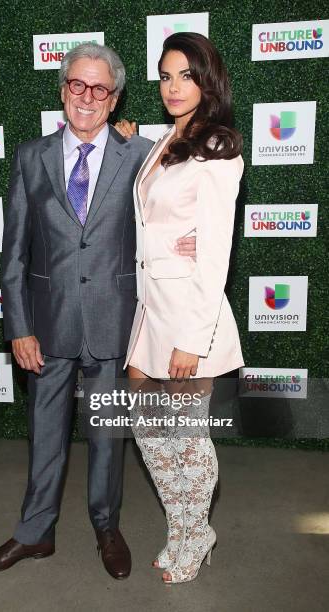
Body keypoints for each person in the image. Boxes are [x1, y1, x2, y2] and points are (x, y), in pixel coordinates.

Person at [0, 42, 196, 580]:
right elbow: (15, 251)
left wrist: (186, 245)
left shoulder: (141, 153)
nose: (87, 96)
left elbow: (172, 212)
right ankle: (35, 533)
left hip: (114, 323)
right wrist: (18, 327)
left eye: (99, 88)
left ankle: (106, 526)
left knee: (106, 440)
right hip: (46, 328)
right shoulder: (30, 156)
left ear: (115, 98)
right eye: (77, 84)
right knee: (44, 436)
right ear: (63, 89)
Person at [122, 32, 244, 584]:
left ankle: (196, 536)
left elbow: (216, 252)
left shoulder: (219, 149)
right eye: (166, 76)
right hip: (149, 313)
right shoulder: (164, 142)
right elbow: (155, 221)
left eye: (185, 76)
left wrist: (192, 338)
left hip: (191, 320)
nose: (173, 86)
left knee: (187, 442)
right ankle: (183, 527)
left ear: (206, 80)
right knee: (150, 436)